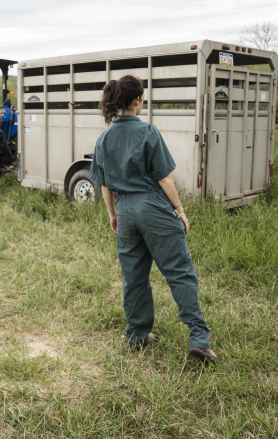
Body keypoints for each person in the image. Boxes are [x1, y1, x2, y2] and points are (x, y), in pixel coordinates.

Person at [89, 75, 217, 363]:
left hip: (125, 212)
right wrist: (180, 210)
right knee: (179, 272)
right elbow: (164, 178)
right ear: (137, 101)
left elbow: (105, 183)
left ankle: (137, 334)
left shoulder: (104, 137)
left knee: (133, 277)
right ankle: (199, 338)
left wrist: (113, 214)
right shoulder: (148, 132)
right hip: (153, 207)